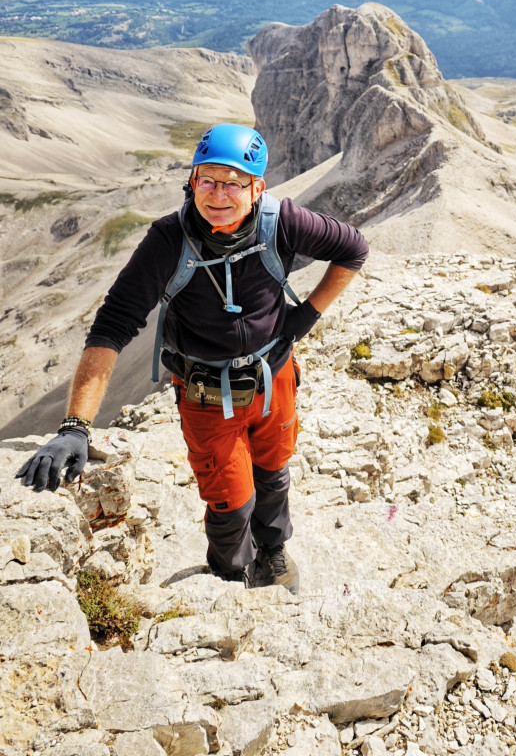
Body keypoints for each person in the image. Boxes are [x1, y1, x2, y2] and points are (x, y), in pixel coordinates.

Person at [15, 123, 368, 593]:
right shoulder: (168, 241)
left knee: (274, 471)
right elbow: (112, 326)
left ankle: (273, 552)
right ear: (192, 180)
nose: (217, 194)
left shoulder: (281, 221)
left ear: (257, 187)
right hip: (206, 393)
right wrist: (75, 426)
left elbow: (353, 249)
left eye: (233, 182)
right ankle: (228, 574)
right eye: (207, 179)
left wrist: (306, 315)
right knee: (229, 500)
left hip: (274, 376)